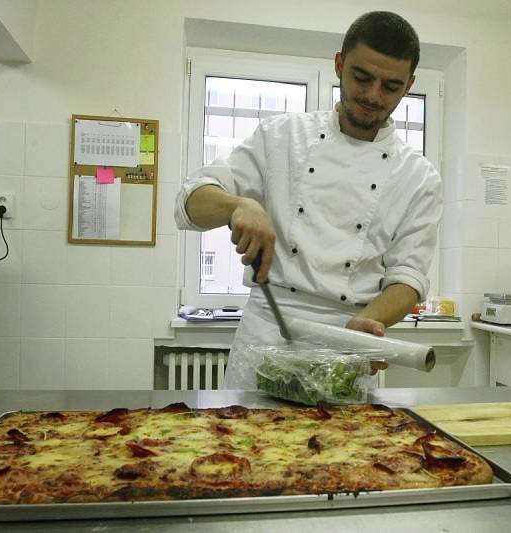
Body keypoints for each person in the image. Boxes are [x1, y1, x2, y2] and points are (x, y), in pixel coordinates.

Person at [174, 11, 442, 389]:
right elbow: (190, 202)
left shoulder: (419, 177)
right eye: (362, 78)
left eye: (391, 87)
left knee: (349, 449)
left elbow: (408, 278)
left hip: (350, 342)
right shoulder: (281, 137)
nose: (372, 96)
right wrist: (238, 206)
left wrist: (364, 325)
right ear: (339, 64)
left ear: (409, 84)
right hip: (267, 333)